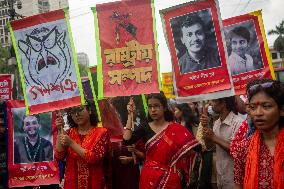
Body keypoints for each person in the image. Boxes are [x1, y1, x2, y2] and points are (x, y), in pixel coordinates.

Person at [123, 92, 200, 189]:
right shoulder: (144, 127)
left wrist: (177, 161)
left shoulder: (175, 128)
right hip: (149, 178)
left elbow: (194, 150)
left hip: (170, 178)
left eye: (156, 106)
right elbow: (127, 140)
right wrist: (130, 116)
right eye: (150, 106)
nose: (153, 110)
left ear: (164, 108)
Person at [230, 78, 284, 189]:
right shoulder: (243, 148)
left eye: (266, 106)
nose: (258, 113)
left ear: (282, 110)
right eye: (253, 107)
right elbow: (238, 185)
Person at [55, 101, 112, 189]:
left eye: (80, 109)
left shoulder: (102, 132)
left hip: (94, 184)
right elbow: (59, 156)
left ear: (89, 110)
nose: (77, 114)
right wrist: (59, 130)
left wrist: (71, 143)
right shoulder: (69, 133)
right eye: (73, 112)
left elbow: (94, 158)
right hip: (72, 184)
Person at [200, 96, 244, 189]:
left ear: (223, 103)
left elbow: (237, 150)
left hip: (234, 179)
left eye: (213, 100)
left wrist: (214, 138)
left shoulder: (238, 123)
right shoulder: (217, 123)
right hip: (221, 176)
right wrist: (206, 130)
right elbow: (211, 147)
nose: (210, 104)